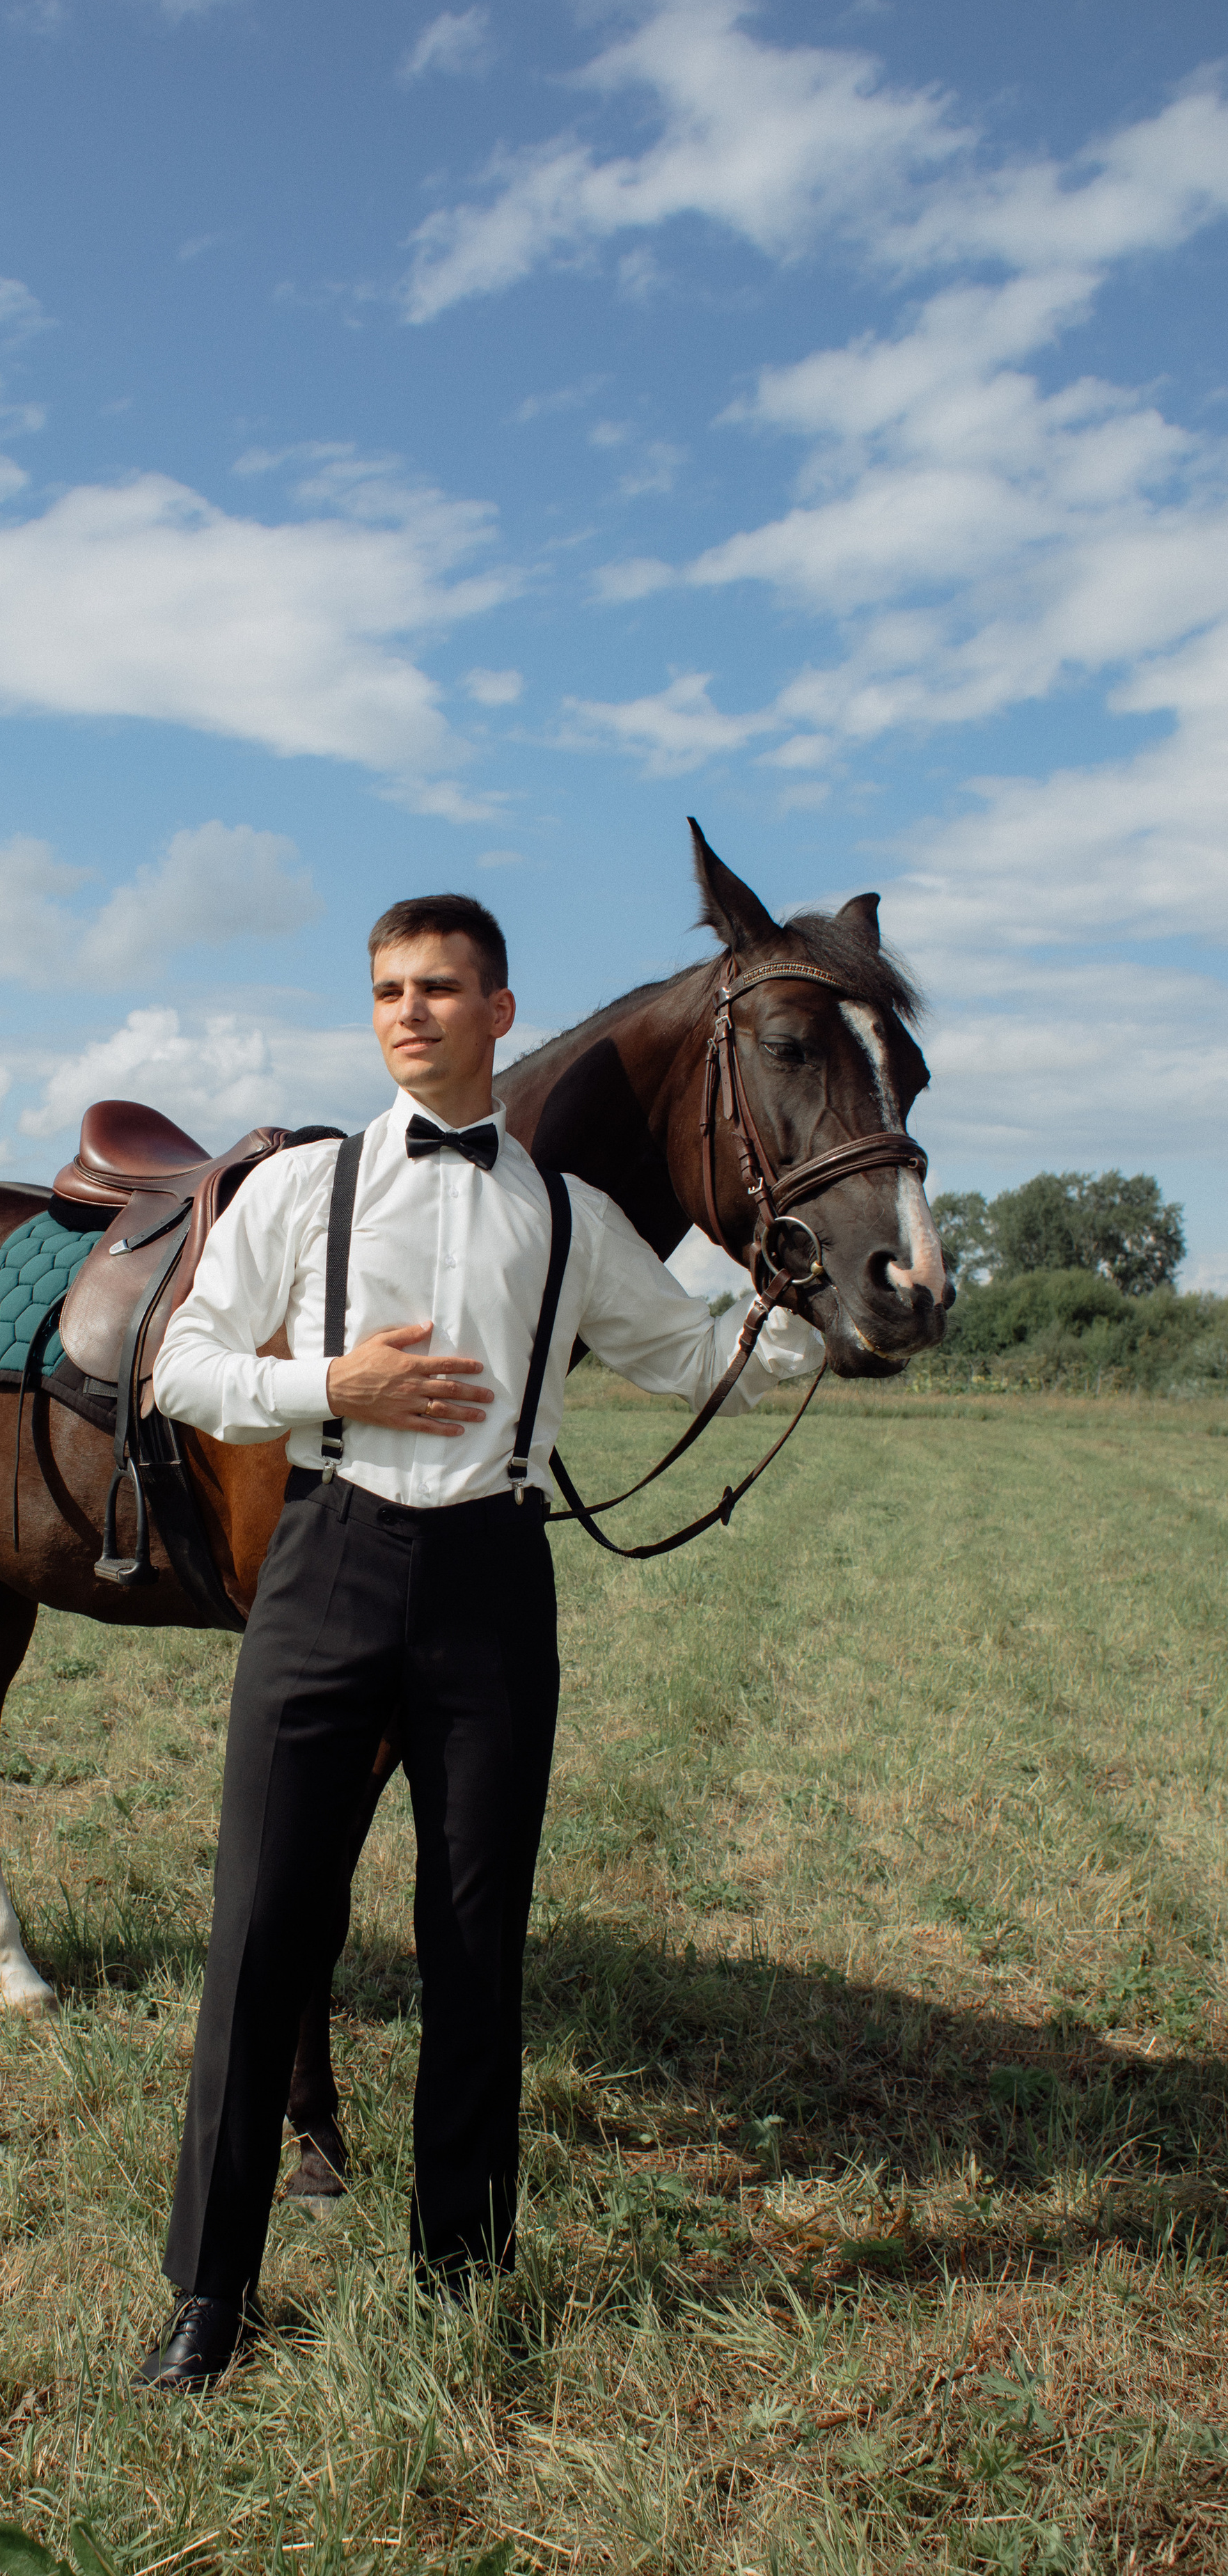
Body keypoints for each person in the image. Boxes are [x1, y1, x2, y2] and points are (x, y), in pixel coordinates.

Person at [137, 894, 821, 2390]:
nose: (409, 1012)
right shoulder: (301, 1191)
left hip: (494, 1586)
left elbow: (698, 1352)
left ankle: (458, 2276)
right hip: (324, 1562)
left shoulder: (568, 1219)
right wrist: (328, 1384)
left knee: (471, 1946)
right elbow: (178, 1362)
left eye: (439, 988)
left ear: (498, 1012)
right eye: (387, 988)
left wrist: (820, 1307)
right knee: (260, 1932)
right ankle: (210, 2292)